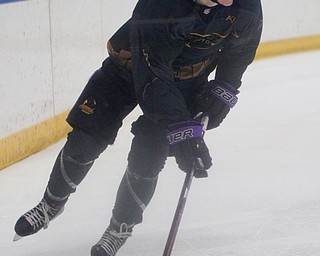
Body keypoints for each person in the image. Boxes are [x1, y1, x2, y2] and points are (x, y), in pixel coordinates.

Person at [14, 0, 263, 255]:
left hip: (185, 84)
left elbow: (241, 50)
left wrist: (223, 90)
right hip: (128, 71)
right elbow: (153, 76)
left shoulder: (247, 6)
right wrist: (182, 129)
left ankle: (120, 228)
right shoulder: (159, 5)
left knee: (148, 156)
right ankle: (51, 204)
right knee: (85, 140)